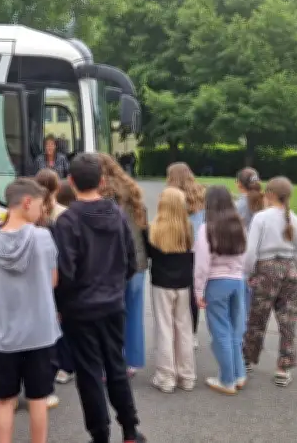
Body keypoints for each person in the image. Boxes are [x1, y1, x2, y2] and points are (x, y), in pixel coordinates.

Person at [52, 153, 146, 443]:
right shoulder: (117, 213)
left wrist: (60, 305)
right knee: (115, 366)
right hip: (112, 303)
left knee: (89, 373)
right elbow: (131, 261)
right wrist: (115, 286)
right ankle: (130, 430)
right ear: (102, 181)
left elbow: (65, 271)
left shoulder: (67, 221)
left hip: (80, 307)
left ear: (70, 181)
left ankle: (100, 434)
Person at [0, 178, 60, 443]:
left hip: (5, 335)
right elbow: (53, 280)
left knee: (5, 401)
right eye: (38, 205)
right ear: (26, 202)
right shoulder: (43, 237)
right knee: (38, 400)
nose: (40, 212)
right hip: (40, 333)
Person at [243, 177, 297, 387]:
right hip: (290, 268)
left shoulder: (261, 218)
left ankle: (248, 358)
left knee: (257, 317)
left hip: (267, 268)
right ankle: (283, 367)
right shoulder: (295, 220)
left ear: (268, 194)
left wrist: (249, 272)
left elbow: (251, 251)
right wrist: (294, 271)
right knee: (288, 320)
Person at [193, 185, 247, 395]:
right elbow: (246, 255)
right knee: (235, 330)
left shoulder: (206, 228)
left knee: (220, 332)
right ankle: (238, 373)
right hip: (237, 280)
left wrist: (198, 292)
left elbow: (202, 265)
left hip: (217, 282)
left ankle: (227, 380)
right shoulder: (239, 226)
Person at [99, 153, 148, 376]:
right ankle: (132, 361)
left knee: (110, 316)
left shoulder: (104, 195)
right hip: (138, 261)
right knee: (134, 312)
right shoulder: (132, 190)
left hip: (115, 264)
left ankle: (112, 360)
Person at [143, 187, 196, 393]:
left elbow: (149, 254)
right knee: (183, 328)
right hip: (183, 283)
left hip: (161, 282)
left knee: (164, 328)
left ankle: (166, 376)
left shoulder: (153, 229)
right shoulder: (188, 227)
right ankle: (187, 375)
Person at [35, 168, 74, 385]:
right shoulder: (62, 213)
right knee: (62, 320)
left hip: (41, 275)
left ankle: (51, 361)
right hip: (57, 272)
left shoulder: (35, 210)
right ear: (57, 187)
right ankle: (65, 365)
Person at [167, 162, 206, 347]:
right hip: (197, 248)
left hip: (177, 246)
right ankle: (193, 333)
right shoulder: (201, 194)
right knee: (192, 292)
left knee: (175, 292)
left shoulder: (172, 196)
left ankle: (177, 330)